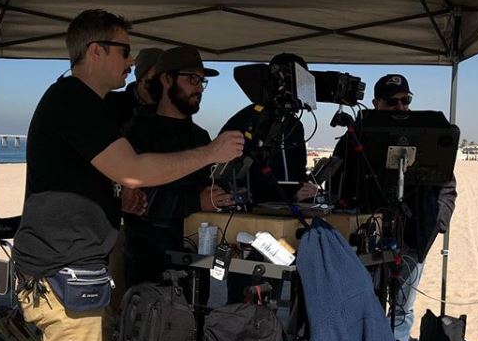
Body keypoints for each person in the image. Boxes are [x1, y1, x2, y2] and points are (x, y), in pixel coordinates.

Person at [12, 9, 243, 341]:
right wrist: (211, 151)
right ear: (96, 51)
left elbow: (123, 125)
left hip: (46, 260)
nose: (130, 61)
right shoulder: (72, 101)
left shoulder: (77, 101)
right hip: (63, 263)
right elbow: (133, 167)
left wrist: (144, 97)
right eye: (122, 51)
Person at [331, 74, 457, 341]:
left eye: (406, 100)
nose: (401, 107)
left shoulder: (428, 134)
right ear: (376, 103)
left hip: (414, 238)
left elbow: (447, 187)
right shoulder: (354, 138)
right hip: (366, 240)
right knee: (364, 306)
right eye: (392, 102)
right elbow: (336, 185)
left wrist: (437, 222)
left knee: (403, 310)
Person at [121, 45, 235, 287]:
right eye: (192, 78)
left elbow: (208, 187)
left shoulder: (201, 136)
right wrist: (198, 201)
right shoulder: (137, 131)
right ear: (166, 79)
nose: (199, 88)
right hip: (151, 269)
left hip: (197, 264)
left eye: (202, 81)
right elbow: (138, 202)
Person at [219, 53, 318, 205]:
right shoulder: (248, 119)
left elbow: (298, 170)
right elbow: (225, 175)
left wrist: (305, 190)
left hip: (290, 209)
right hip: (252, 212)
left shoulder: (295, 125)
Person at [104, 46, 162, 128]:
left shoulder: (170, 105)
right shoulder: (112, 101)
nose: (162, 76)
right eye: (157, 70)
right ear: (141, 75)